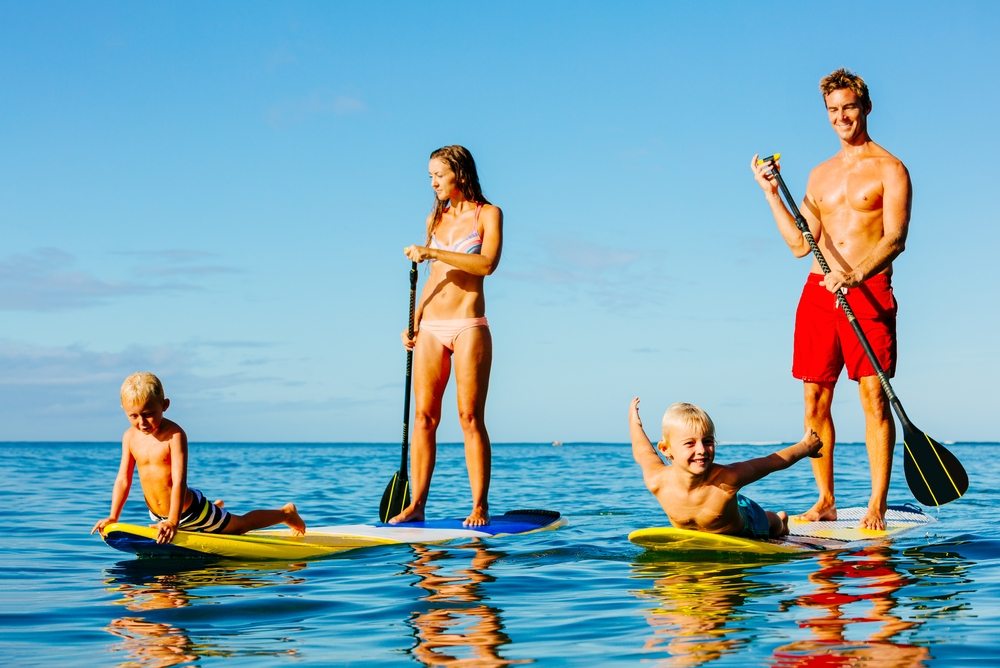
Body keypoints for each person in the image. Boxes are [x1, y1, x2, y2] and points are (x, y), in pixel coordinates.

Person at [750, 67, 912, 530]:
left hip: (869, 292)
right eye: (833, 110)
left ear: (866, 107)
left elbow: (896, 237)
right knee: (814, 400)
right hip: (820, 294)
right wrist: (769, 195)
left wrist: (857, 274)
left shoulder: (891, 169)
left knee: (873, 399)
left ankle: (876, 504)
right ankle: (825, 501)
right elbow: (801, 244)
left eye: (849, 107)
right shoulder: (820, 175)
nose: (842, 117)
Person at [390, 145, 503, 527]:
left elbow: (487, 264)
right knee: (424, 418)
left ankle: (479, 506)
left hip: (469, 325)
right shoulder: (434, 219)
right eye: (430, 177)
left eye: (438, 175)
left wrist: (432, 252)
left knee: (470, 417)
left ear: (459, 173)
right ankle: (417, 504)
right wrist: (415, 318)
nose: (433, 183)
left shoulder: (488, 214)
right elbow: (433, 279)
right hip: (431, 328)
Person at [91, 372, 306, 544]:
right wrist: (113, 516)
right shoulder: (129, 437)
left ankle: (285, 513)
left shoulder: (174, 435)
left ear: (164, 405)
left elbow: (178, 481)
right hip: (157, 515)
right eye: (134, 415)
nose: (142, 422)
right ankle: (218, 508)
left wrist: (174, 520)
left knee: (239, 527)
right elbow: (123, 479)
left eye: (148, 413)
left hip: (190, 512)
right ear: (124, 410)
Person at [629, 397, 822, 538]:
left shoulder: (728, 477)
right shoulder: (658, 481)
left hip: (746, 524)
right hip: (722, 513)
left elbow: (771, 462)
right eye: (690, 443)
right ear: (665, 449)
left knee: (770, 523)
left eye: (708, 441)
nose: (702, 450)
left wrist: (805, 447)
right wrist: (634, 423)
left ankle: (781, 521)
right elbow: (643, 452)